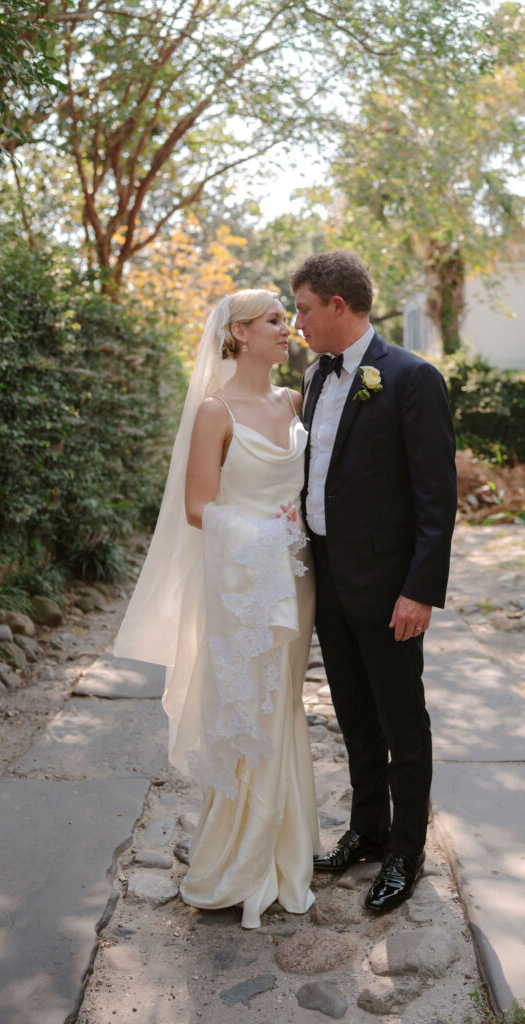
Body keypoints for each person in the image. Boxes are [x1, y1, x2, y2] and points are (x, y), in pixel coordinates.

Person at [113, 289, 320, 929]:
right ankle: (240, 858)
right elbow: (198, 507)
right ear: (237, 334)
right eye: (273, 321)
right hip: (245, 579)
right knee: (250, 708)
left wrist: (303, 519)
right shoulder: (214, 411)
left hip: (298, 576)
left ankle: (287, 849)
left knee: (285, 702)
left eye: (286, 319)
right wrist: (267, 532)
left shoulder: (294, 401)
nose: (287, 329)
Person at [291, 250, 457, 912]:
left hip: (389, 588)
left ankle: (404, 850)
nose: (297, 320)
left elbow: (434, 498)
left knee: (400, 720)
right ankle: (366, 830)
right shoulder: (312, 376)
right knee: (353, 716)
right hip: (327, 577)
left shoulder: (411, 377)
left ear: (337, 305)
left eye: (302, 307)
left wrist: (418, 589)